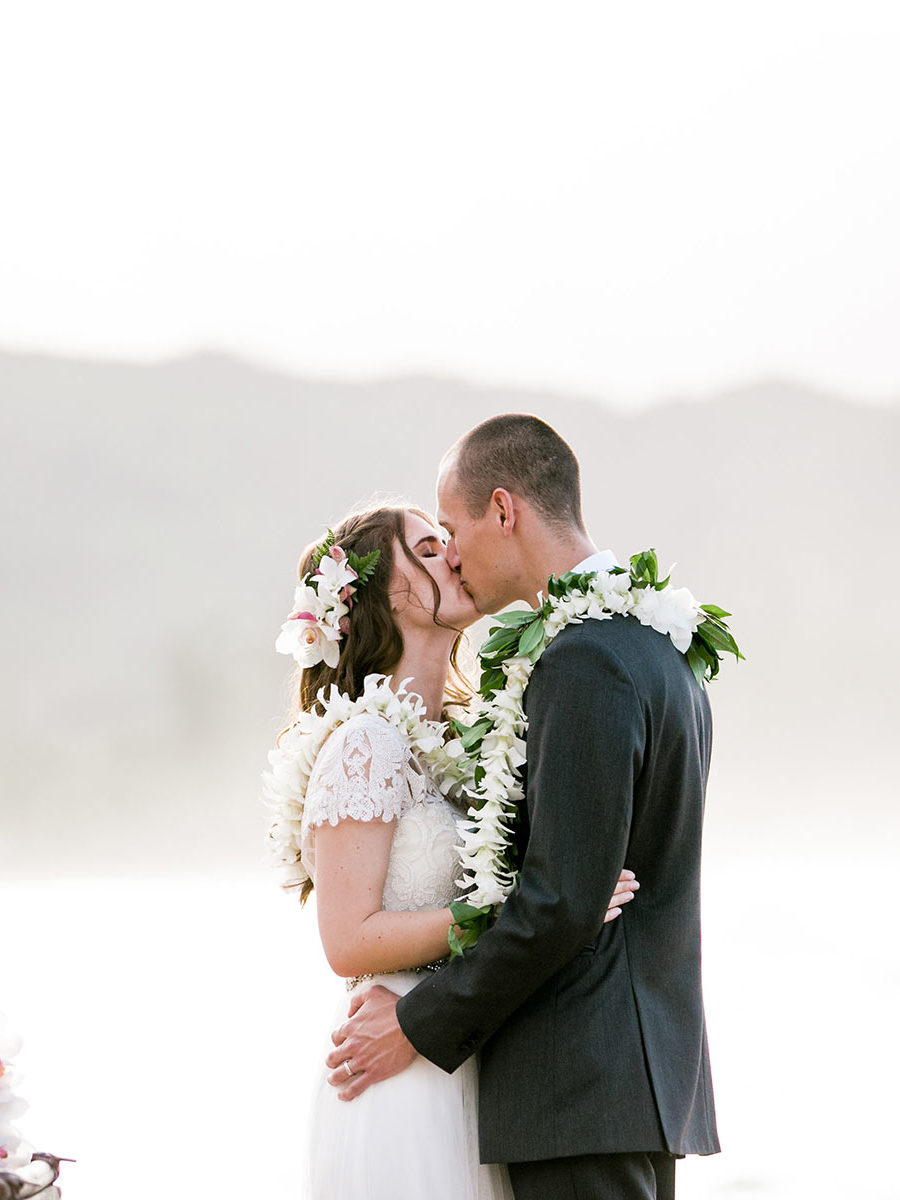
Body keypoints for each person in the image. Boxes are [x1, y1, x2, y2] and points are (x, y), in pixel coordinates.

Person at [326, 415, 721, 1200]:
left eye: (452, 529)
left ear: (504, 511)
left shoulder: (583, 663)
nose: (454, 555)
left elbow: (558, 904)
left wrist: (414, 1022)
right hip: (621, 1084)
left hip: (581, 1082)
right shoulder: (653, 646)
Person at [264, 503, 638, 1200]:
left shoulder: (466, 744)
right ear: (378, 594)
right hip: (395, 1067)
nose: (455, 557)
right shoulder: (365, 744)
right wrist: (524, 910)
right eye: (429, 549)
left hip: (470, 1052)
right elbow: (347, 940)